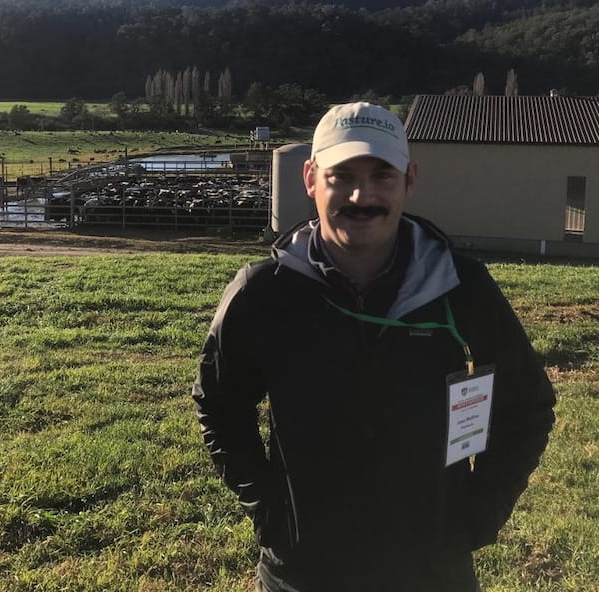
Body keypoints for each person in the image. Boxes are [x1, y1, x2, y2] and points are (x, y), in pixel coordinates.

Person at [192, 101, 555, 592]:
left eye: (382, 176)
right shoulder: (262, 292)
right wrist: (269, 510)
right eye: (342, 176)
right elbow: (220, 405)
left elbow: (527, 406)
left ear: (410, 180)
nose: (362, 196)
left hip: (431, 572)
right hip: (304, 573)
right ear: (310, 178)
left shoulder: (461, 287)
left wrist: (478, 513)